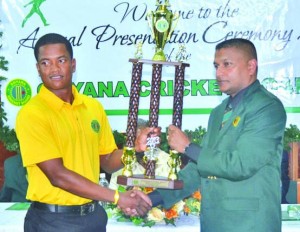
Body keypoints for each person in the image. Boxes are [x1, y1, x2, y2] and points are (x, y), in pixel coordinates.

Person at [15, 33, 155, 232]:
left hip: (93, 218)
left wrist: (134, 149)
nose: (54, 69)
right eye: (45, 63)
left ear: (73, 64)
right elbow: (57, 175)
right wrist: (116, 197)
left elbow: (106, 160)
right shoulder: (32, 114)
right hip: (52, 222)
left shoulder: (92, 107)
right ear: (38, 69)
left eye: (61, 60)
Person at [148, 38, 287, 232]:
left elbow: (240, 164)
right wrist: (152, 198)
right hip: (214, 223)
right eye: (216, 66)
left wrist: (188, 147)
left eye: (227, 65)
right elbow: (199, 168)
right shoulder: (218, 112)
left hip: (250, 224)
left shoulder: (267, 107)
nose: (219, 73)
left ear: (251, 66)